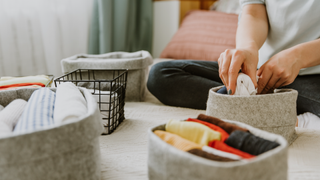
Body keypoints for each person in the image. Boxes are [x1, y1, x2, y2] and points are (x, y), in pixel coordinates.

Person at [147, 0, 320, 117]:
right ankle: (272, 109)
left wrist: (299, 56)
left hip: (314, 76)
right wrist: (247, 47)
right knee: (160, 75)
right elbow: (253, 13)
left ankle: (247, 106)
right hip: (259, 73)